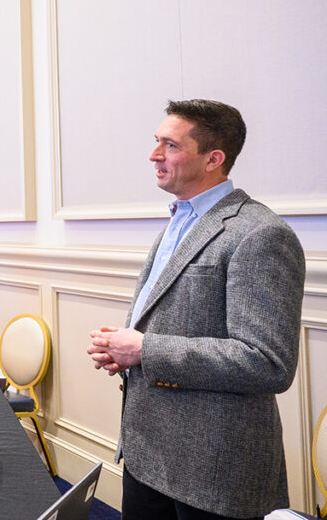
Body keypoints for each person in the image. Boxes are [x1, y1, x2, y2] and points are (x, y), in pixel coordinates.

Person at [86, 99, 305, 520]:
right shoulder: (178, 222)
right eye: (156, 142)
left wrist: (145, 350)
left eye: (169, 145)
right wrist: (124, 349)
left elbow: (267, 362)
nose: (153, 155)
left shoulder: (261, 233)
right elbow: (174, 322)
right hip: (148, 453)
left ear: (213, 159)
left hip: (213, 471)